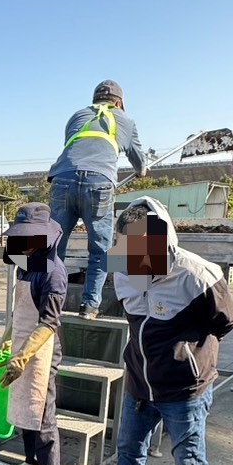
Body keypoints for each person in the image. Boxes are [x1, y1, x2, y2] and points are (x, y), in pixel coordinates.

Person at [108, 199, 233, 465]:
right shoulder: (123, 270)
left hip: (183, 390)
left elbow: (227, 320)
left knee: (189, 462)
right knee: (128, 451)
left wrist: (188, 352)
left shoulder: (196, 274)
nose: (134, 260)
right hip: (140, 385)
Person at [48, 80, 148, 319]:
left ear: (95, 100)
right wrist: (142, 170)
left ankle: (50, 301)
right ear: (119, 102)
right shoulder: (126, 121)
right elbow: (140, 162)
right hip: (99, 183)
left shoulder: (76, 116)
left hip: (62, 179)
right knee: (101, 251)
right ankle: (90, 306)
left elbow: (75, 150)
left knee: (54, 246)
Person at [0, 202, 68, 465]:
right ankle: (30, 461)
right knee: (24, 404)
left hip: (43, 349)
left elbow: (49, 323)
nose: (24, 245)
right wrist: (7, 339)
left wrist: (23, 356)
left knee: (42, 408)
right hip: (21, 343)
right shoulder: (25, 264)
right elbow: (21, 309)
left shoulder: (53, 274)